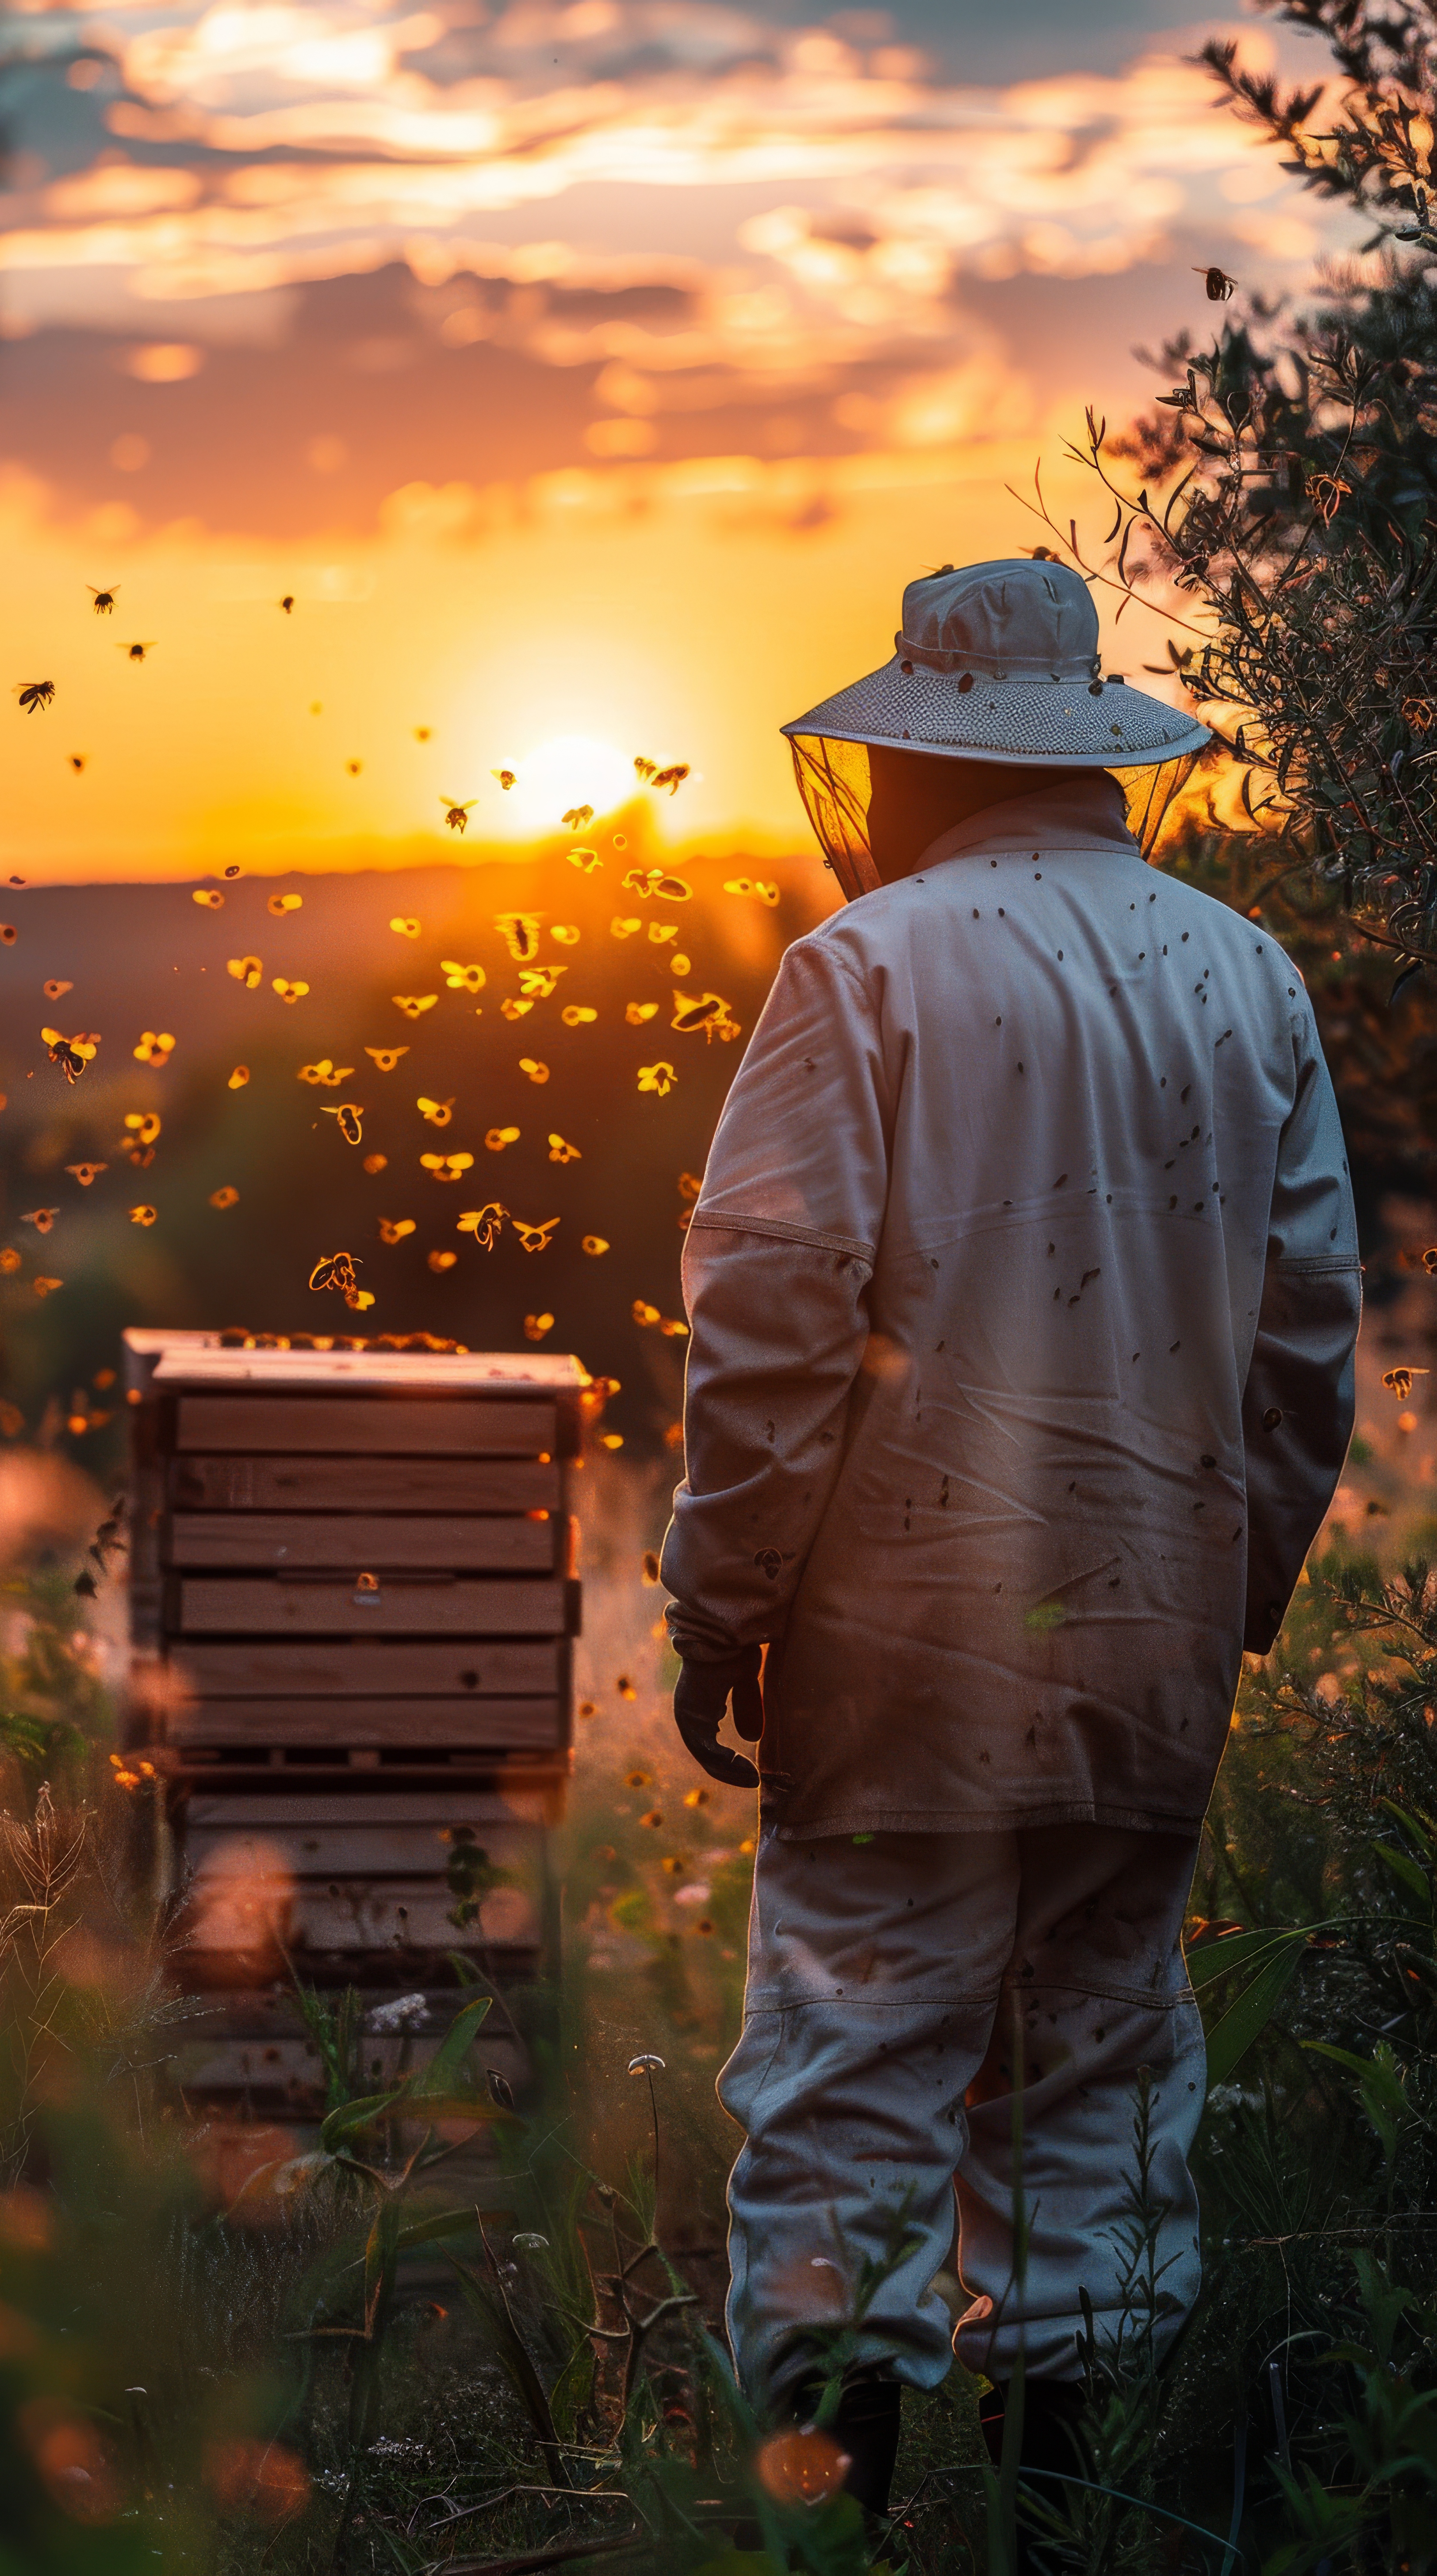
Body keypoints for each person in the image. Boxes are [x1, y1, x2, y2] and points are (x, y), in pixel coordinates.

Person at [658, 557, 1361, 2527]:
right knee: (1099, 2119)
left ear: (910, 761)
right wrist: (1242, 1600)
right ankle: (1089, 2538)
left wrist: (718, 1609)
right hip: (1154, 1643)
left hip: (898, 1651)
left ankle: (831, 2546)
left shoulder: (859, 969)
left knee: (844, 2105)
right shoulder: (1251, 975)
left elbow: (775, 1320)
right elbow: (1309, 1336)